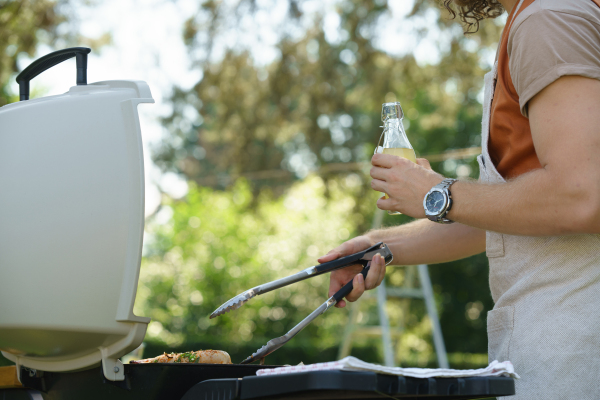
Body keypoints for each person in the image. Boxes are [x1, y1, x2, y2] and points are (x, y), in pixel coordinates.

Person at [319, 0, 600, 398]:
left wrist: (438, 193)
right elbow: (509, 217)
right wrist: (379, 247)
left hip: (575, 354)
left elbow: (581, 196)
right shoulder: (543, 18)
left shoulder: (548, 19)